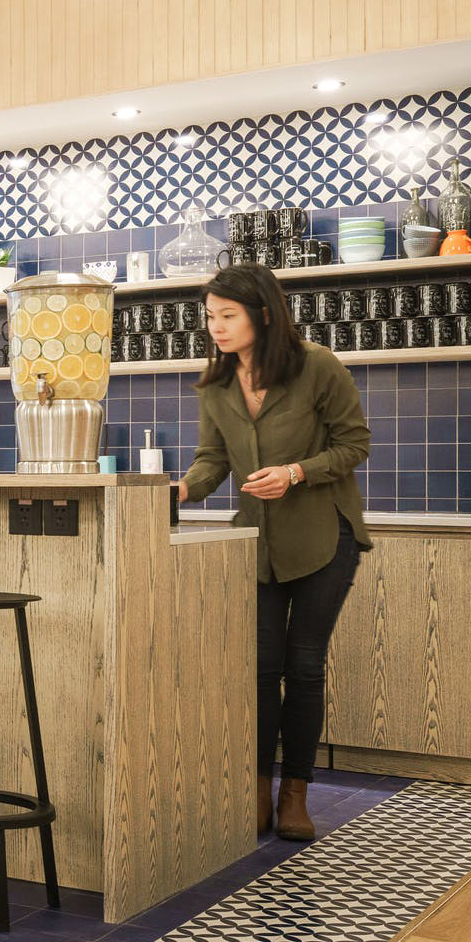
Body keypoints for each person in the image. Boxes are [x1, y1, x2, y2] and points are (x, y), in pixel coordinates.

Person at [174, 265, 371, 842]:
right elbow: (213, 459)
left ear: (263, 314)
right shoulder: (216, 386)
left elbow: (354, 443)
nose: (215, 327)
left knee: (304, 666)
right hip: (256, 544)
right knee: (259, 670)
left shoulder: (317, 366)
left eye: (227, 315)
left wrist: (295, 473)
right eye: (210, 317)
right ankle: (256, 790)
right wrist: (181, 489)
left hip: (324, 537)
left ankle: (295, 794)